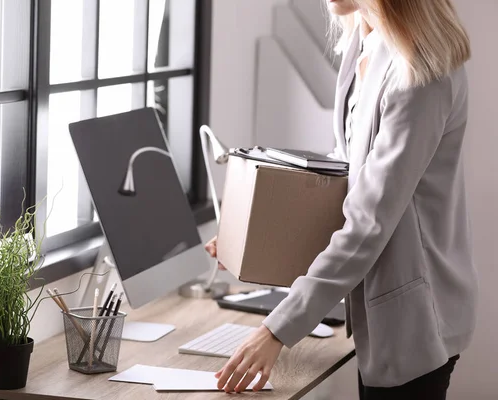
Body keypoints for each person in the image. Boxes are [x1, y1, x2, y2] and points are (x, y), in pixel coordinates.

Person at [205, 0, 478, 398]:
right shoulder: (363, 43)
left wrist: (276, 330)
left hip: (417, 318)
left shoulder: (419, 71)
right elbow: (347, 170)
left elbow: (369, 221)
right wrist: (254, 236)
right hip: (384, 309)